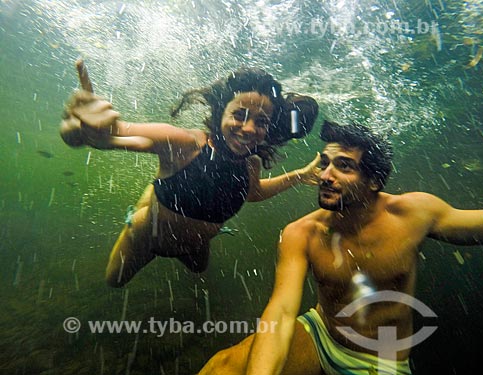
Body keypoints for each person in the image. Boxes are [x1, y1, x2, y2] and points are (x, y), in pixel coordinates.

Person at [198, 121, 483, 375]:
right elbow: (281, 311)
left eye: (344, 166)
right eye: (326, 163)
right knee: (221, 367)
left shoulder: (414, 213)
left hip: (380, 360)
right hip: (322, 334)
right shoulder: (301, 232)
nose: (326, 175)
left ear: (373, 181)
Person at [60, 66, 320, 288]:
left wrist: (300, 175)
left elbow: (253, 193)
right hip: (146, 238)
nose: (249, 128)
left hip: (197, 244)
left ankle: (159, 203)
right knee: (113, 281)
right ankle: (144, 206)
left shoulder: (250, 162)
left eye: (261, 121)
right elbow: (114, 135)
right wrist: (81, 130)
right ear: (220, 113)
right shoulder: (184, 143)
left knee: (198, 270)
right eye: (239, 115)